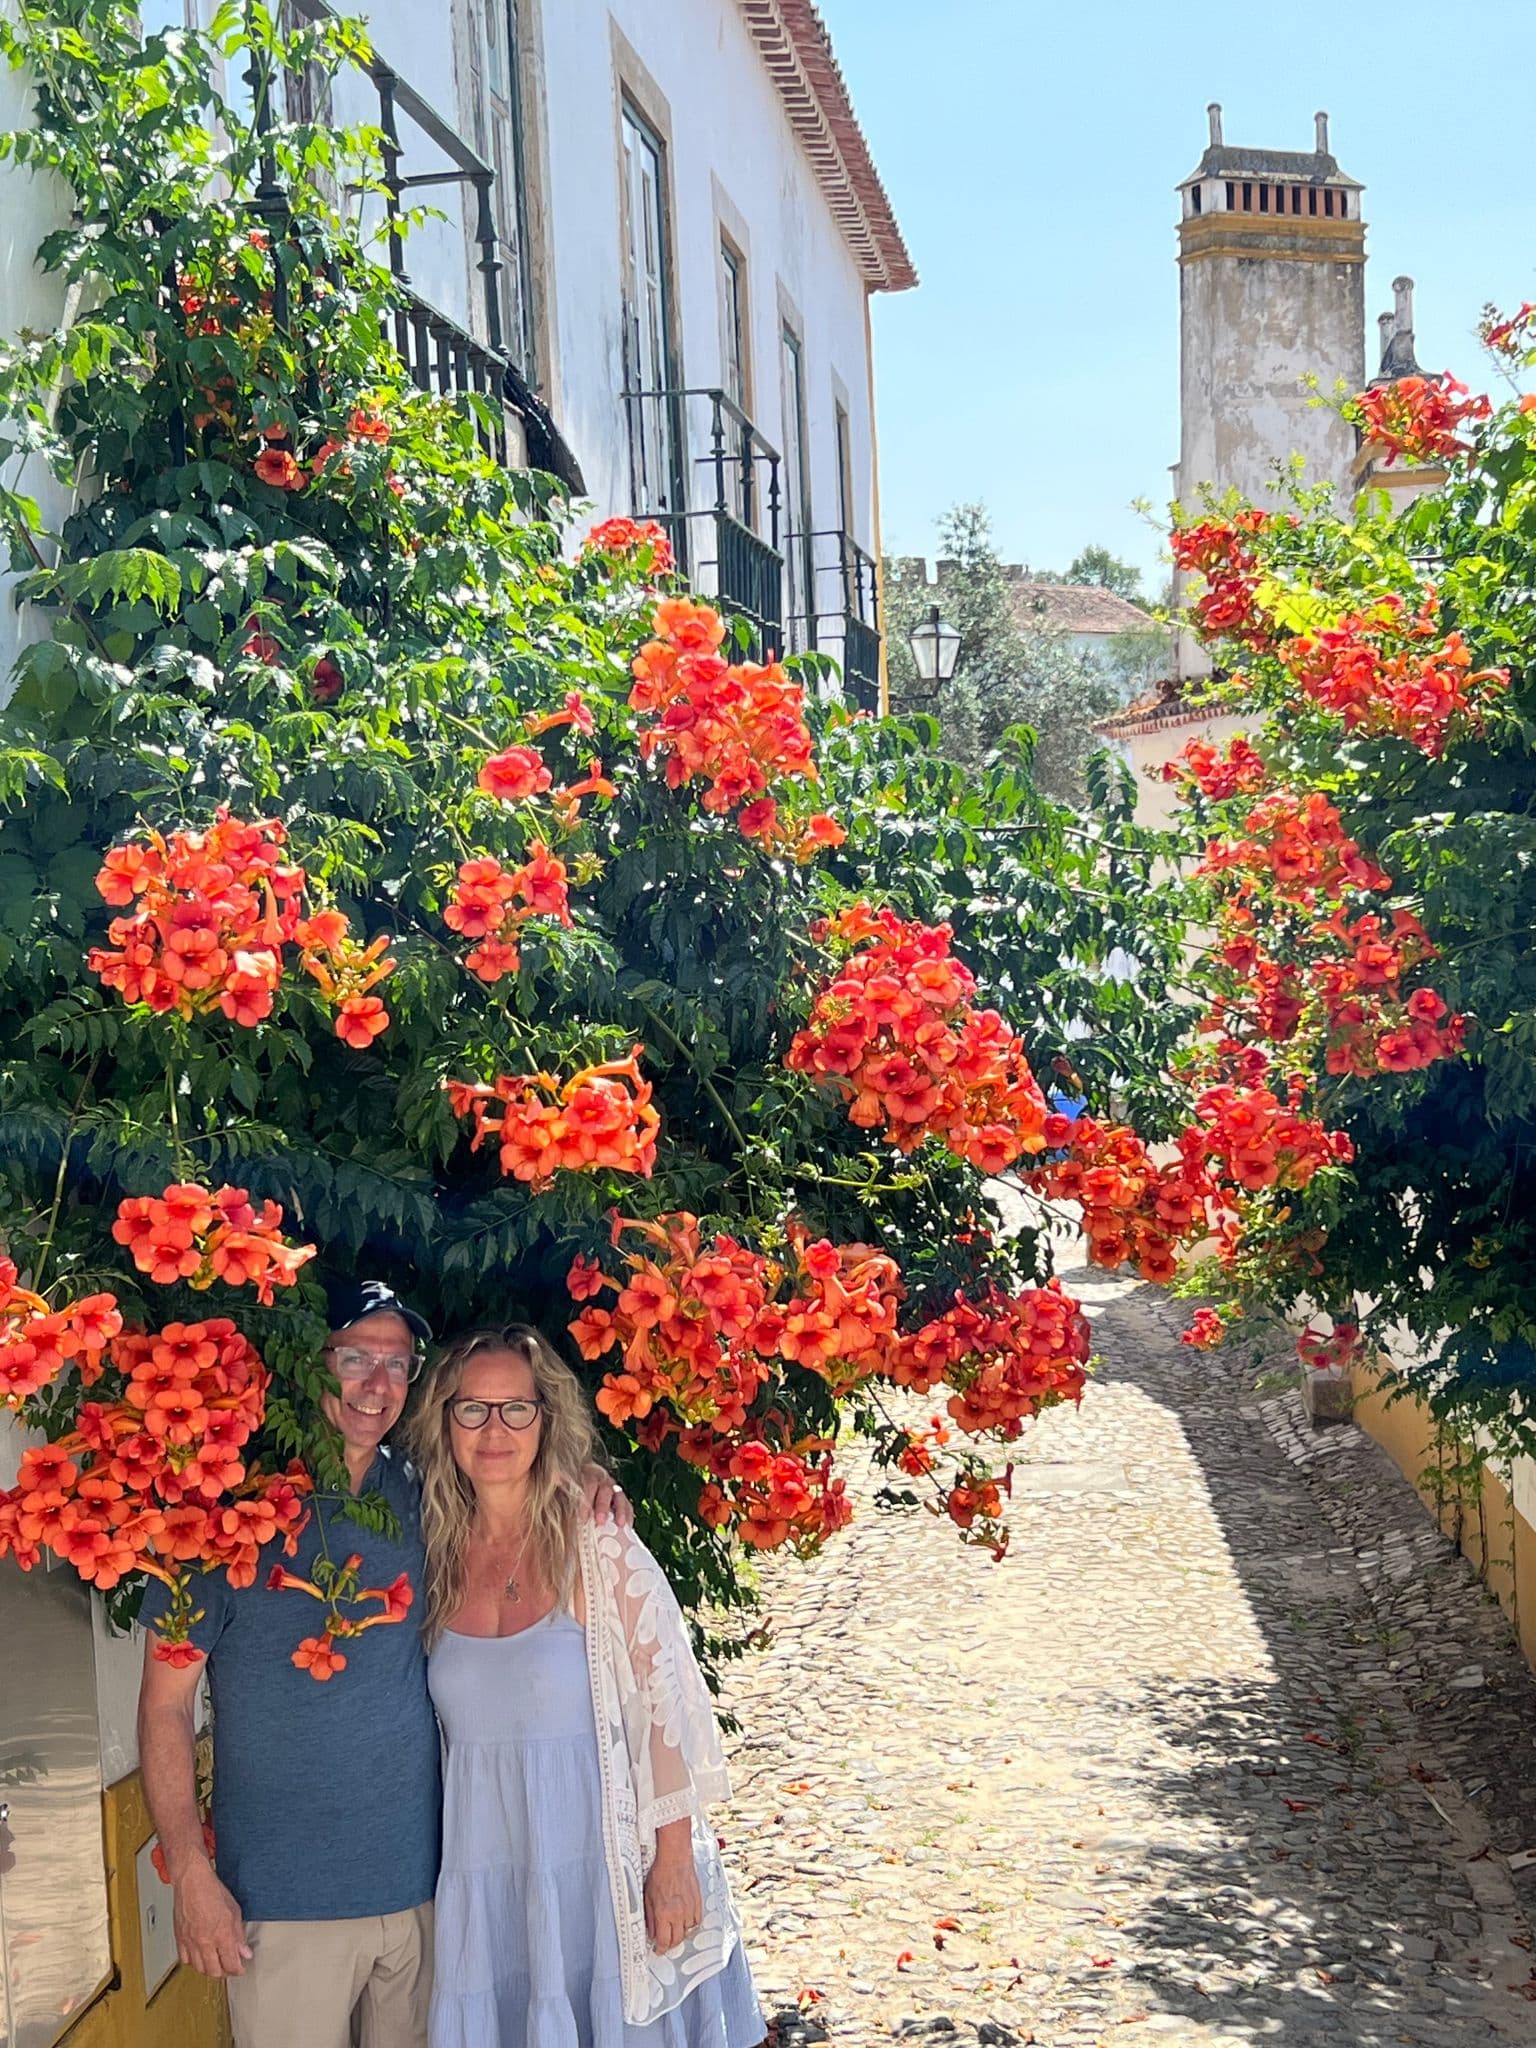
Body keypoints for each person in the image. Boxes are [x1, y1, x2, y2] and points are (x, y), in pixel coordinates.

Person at [137, 1280, 628, 2048]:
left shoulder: (426, 1496)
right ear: (312, 1365)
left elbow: (514, 1480)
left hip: (429, 1894)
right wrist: (192, 1876)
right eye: (356, 1358)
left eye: (398, 1365)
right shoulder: (223, 1510)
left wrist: (587, 1480)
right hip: (282, 1904)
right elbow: (165, 1706)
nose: (377, 1385)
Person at [408, 1324, 764, 2048]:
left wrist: (671, 1860)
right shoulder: (429, 1546)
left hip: (610, 1868)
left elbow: (667, 1701)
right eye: (472, 1409)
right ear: (445, 1422)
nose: (494, 1430)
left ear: (548, 1419)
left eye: (517, 1408)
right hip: (494, 1870)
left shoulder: (596, 1539)